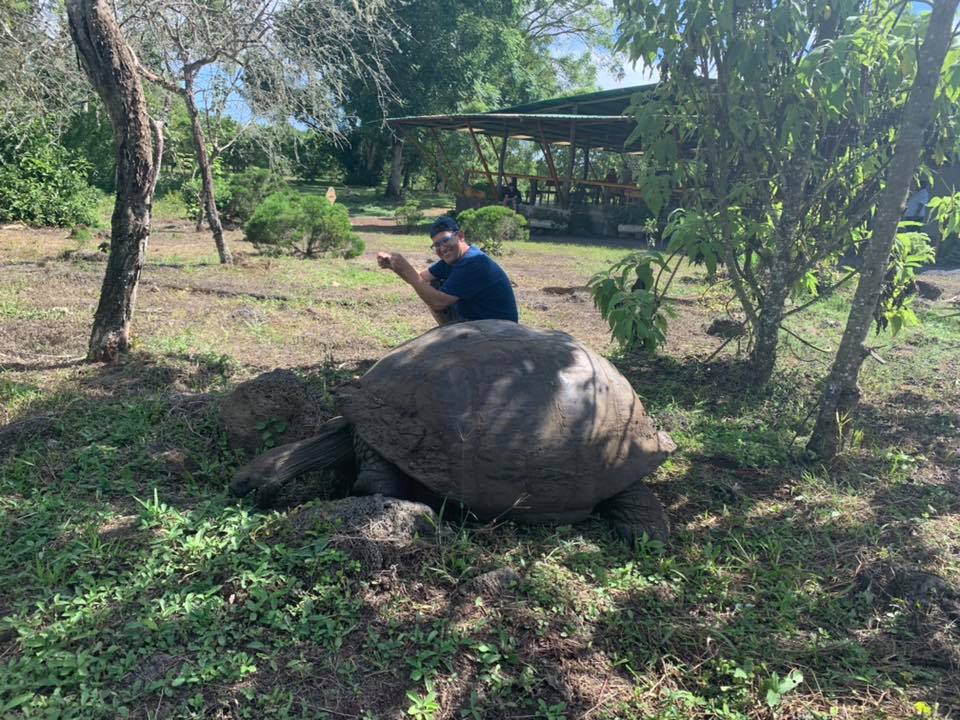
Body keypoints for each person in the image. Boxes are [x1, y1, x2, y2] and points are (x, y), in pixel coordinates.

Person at [376, 216, 519, 325]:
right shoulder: (452, 259)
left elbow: (438, 302)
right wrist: (394, 266)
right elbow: (421, 278)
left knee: (435, 294)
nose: (442, 248)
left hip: (498, 329)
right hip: (476, 322)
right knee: (433, 283)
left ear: (461, 236)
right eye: (436, 245)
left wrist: (406, 269)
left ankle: (450, 333)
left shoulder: (473, 261)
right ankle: (448, 330)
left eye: (446, 240)